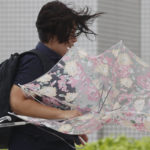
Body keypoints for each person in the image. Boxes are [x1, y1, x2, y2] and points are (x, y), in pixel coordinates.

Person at [9, 1, 102, 150]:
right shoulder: (35, 61)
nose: (75, 40)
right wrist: (64, 115)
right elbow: (18, 102)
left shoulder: (55, 63)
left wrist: (69, 130)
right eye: (71, 34)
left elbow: (46, 106)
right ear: (54, 34)